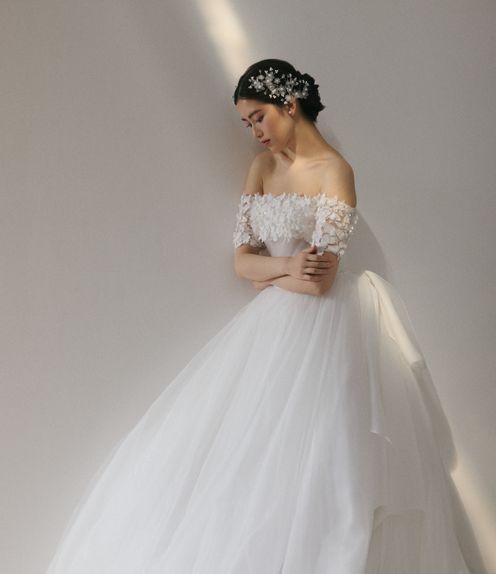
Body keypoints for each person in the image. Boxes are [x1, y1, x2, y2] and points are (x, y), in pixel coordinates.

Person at [46, 58, 477, 573]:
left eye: (258, 118)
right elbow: (242, 262)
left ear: (288, 105)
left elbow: (319, 282)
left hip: (331, 327)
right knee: (249, 448)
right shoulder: (262, 169)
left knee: (329, 456)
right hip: (273, 328)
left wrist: (271, 274)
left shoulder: (335, 171)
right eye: (246, 123)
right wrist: (286, 267)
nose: (254, 133)